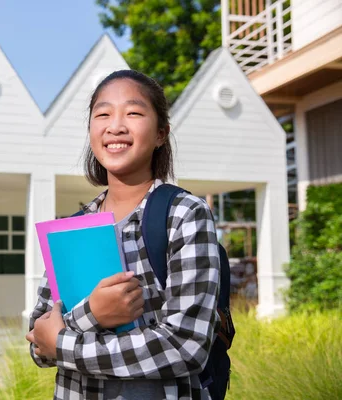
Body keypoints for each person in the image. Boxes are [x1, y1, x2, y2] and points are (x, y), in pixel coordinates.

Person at [25, 70, 221, 400]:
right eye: (102, 114)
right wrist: (93, 315)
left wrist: (64, 344)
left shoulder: (184, 214)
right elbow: (37, 341)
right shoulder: (73, 228)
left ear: (161, 134)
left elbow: (186, 345)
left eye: (133, 112)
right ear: (91, 131)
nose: (115, 126)